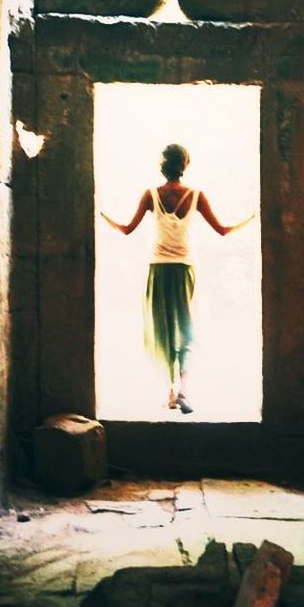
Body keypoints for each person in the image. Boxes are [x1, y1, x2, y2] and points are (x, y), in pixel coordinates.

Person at [101, 143, 254, 415]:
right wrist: (252, 217)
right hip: (185, 268)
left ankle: (169, 393)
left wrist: (100, 213)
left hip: (158, 269)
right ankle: (183, 389)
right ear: (185, 165)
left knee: (162, 330)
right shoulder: (196, 195)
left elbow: (126, 230)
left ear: (163, 165)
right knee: (186, 328)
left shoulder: (151, 195)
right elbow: (222, 230)